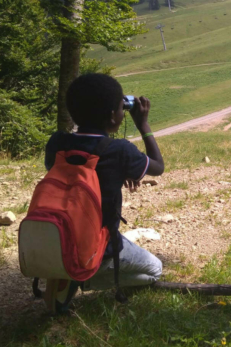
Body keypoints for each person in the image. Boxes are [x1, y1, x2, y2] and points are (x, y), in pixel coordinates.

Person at [44, 73, 165, 293]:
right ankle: (84, 280)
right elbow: (158, 166)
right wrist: (143, 124)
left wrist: (119, 171)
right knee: (154, 270)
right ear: (112, 117)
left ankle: (67, 272)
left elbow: (76, 169)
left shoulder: (56, 142)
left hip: (57, 237)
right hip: (100, 245)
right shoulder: (119, 150)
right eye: (121, 108)